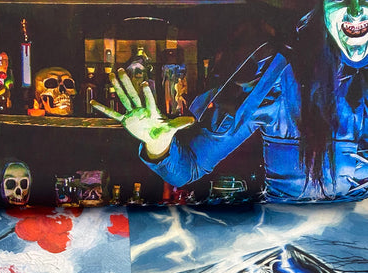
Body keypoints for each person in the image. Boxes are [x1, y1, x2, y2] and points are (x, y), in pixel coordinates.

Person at [93, 1, 368, 202]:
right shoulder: (275, 76)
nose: (356, 10)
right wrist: (158, 144)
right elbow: (188, 168)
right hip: (291, 252)